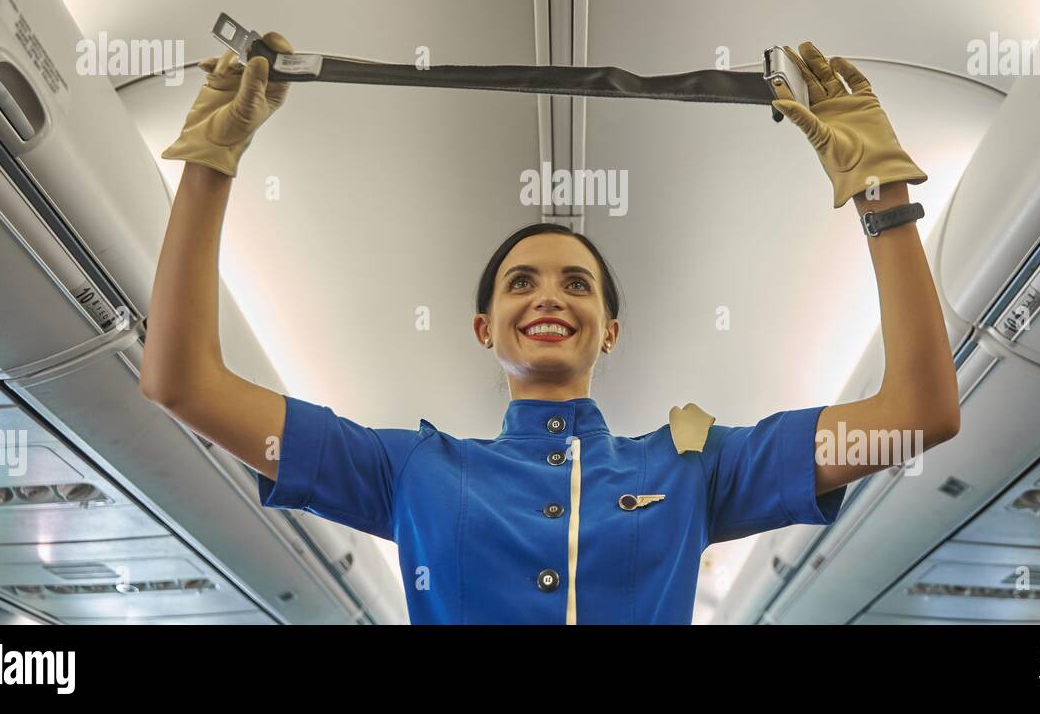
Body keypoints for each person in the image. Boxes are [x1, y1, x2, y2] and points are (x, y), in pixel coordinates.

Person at [139, 33, 960, 624]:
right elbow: (183, 383)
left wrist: (882, 195)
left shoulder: (695, 468)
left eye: (577, 284)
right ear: (483, 326)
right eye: (520, 283)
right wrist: (211, 163)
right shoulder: (409, 473)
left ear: (609, 330)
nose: (549, 298)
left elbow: (917, 416)